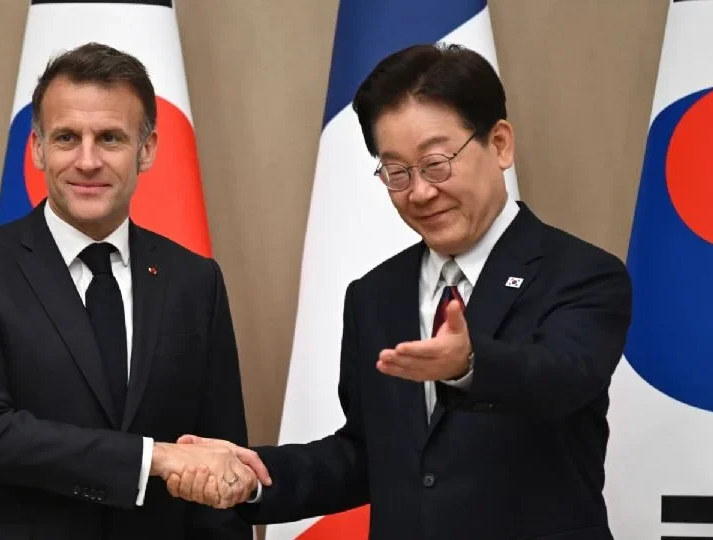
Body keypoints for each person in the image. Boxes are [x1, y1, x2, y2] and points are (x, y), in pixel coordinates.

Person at [168, 43, 632, 540]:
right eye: (396, 172)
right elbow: (368, 455)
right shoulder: (374, 295)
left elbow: (561, 379)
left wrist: (469, 364)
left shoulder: (581, 273)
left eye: (436, 163)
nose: (420, 192)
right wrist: (254, 476)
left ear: (499, 144)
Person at [0, 42, 265, 540]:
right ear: (37, 148)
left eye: (109, 138)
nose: (87, 161)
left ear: (146, 150)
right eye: (66, 138)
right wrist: (155, 458)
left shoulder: (195, 280)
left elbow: (218, 457)